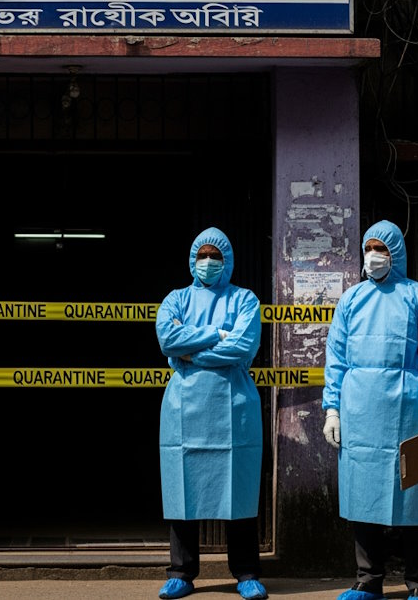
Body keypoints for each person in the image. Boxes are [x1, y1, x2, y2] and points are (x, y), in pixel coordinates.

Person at [321, 220, 418, 600]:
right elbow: (336, 358)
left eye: (381, 249)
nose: (374, 256)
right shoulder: (351, 299)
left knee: (413, 497)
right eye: (369, 248)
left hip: (407, 409)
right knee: (362, 498)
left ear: (396, 253)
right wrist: (332, 408)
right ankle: (368, 580)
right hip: (359, 410)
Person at [155, 227, 268, 600]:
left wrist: (190, 352)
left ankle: (246, 573)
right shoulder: (176, 299)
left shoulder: (245, 299)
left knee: (239, 492)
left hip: (233, 408)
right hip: (184, 409)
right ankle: (181, 572)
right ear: (192, 260)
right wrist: (217, 334)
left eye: (214, 256)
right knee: (182, 491)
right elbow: (167, 340)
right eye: (202, 255)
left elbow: (243, 346)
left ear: (227, 261)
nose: (208, 262)